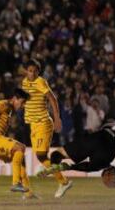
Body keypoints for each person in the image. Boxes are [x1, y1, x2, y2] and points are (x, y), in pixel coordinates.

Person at [38, 114, 115, 187]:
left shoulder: (111, 121)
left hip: (95, 138)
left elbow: (100, 140)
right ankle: (69, 167)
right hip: (109, 149)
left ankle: (55, 167)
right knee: (93, 166)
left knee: (58, 153)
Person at [22, 59, 72, 198]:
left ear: (38, 72)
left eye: (35, 71)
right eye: (30, 70)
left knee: (40, 155)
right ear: (26, 71)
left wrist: (57, 118)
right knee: (41, 157)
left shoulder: (40, 81)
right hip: (32, 124)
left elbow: (52, 98)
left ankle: (63, 181)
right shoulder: (25, 82)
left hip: (43, 122)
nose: (32, 73)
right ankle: (58, 173)